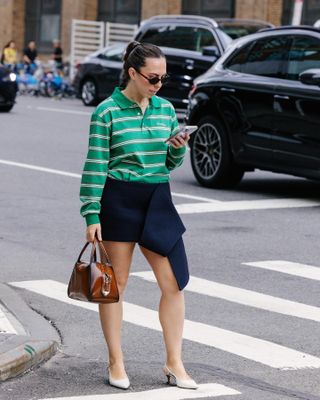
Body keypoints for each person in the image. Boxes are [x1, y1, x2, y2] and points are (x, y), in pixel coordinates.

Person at [79, 41, 198, 390]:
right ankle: (116, 361)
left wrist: (178, 150)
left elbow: (169, 164)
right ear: (132, 73)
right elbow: (96, 165)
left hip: (158, 196)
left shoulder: (165, 110)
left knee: (174, 282)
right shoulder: (106, 112)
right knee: (115, 286)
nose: (159, 85)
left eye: (163, 78)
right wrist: (91, 213)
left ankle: (174, 362)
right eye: (152, 78)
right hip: (120, 197)